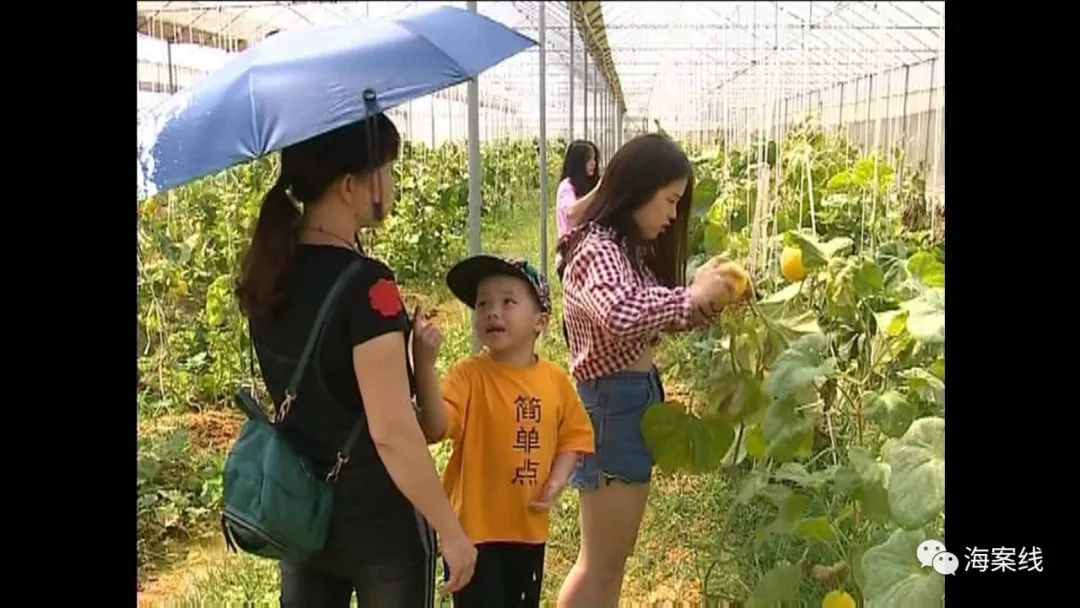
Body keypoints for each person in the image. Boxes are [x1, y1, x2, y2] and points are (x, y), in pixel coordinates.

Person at [235, 114, 477, 607]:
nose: (391, 183)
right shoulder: (367, 286)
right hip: (378, 522)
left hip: (303, 509)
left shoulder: (270, 272)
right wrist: (450, 530)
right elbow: (391, 430)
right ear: (349, 186)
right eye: (385, 170)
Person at [553, 133, 749, 608]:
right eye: (669, 201)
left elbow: (649, 314)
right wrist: (692, 296)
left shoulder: (623, 248)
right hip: (611, 406)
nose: (671, 216)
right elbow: (622, 313)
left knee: (610, 561)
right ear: (639, 188)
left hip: (625, 400)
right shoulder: (598, 248)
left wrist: (708, 302)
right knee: (599, 562)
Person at [412, 255, 596, 607]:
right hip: (472, 535)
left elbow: (574, 435)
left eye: (508, 301)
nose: (492, 312)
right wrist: (424, 367)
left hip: (528, 530)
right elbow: (435, 428)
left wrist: (557, 480)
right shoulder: (469, 375)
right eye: (483, 304)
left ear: (539, 322)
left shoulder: (554, 381)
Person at [555, 140, 602, 276]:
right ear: (578, 163)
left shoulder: (587, 186)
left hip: (586, 254)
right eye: (588, 160)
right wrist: (597, 191)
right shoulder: (567, 186)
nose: (593, 163)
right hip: (569, 256)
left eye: (594, 159)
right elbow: (571, 212)